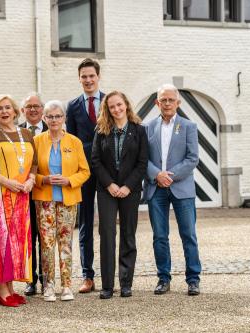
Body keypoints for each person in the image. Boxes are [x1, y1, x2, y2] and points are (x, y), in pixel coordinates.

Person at [0, 94, 38, 307]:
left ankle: (11, 287)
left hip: (21, 194)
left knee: (15, 241)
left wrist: (30, 181)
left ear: (15, 110)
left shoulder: (27, 134)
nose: (4, 112)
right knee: (0, 240)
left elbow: (35, 164)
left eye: (7, 107)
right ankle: (1, 289)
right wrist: (7, 182)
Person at [144, 84, 202, 296]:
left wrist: (169, 175)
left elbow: (192, 158)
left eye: (171, 100)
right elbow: (143, 159)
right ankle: (163, 278)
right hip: (155, 189)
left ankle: (193, 279)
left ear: (178, 102)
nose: (167, 103)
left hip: (182, 188)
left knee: (188, 235)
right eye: (163, 100)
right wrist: (156, 175)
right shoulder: (147, 127)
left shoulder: (189, 127)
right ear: (157, 103)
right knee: (160, 236)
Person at [91, 91, 148, 299]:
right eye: (112, 106)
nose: (116, 109)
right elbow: (95, 160)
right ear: (107, 109)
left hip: (130, 190)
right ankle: (107, 285)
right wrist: (109, 184)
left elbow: (142, 163)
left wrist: (128, 186)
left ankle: (126, 283)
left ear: (126, 105)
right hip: (107, 190)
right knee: (107, 234)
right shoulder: (101, 130)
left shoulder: (139, 131)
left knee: (127, 234)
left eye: (119, 105)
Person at [33, 100, 90, 302]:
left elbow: (85, 171)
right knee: (47, 244)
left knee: (65, 243)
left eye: (58, 116)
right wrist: (43, 179)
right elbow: (32, 172)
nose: (54, 120)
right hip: (45, 200)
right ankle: (48, 286)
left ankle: (66, 286)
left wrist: (69, 180)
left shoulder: (74, 142)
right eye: (50, 116)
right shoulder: (37, 141)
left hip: (68, 200)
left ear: (64, 118)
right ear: (44, 118)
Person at [65, 58, 105, 293]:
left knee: (109, 225)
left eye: (91, 76)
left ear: (98, 77)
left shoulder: (110, 101)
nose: (88, 80)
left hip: (109, 172)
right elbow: (70, 141)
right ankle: (87, 276)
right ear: (79, 79)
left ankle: (112, 274)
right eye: (84, 76)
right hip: (85, 174)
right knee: (85, 224)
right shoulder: (73, 106)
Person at [18, 92, 47, 296]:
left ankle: (47, 279)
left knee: (46, 238)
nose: (33, 110)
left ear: (42, 110)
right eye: (29, 107)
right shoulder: (16, 132)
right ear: (22, 111)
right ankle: (30, 279)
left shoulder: (53, 129)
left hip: (46, 191)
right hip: (24, 192)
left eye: (36, 106)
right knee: (28, 237)